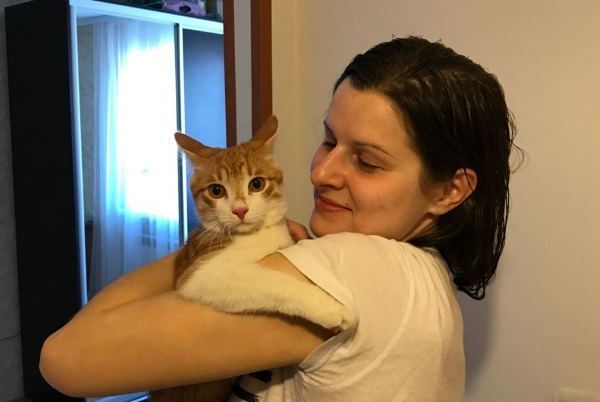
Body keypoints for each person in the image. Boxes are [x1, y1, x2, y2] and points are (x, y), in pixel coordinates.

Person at [40, 36, 517, 401]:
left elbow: (65, 357)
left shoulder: (355, 267)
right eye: (329, 141)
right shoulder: (423, 273)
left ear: (451, 190)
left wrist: (201, 250)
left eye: (368, 162)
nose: (321, 172)